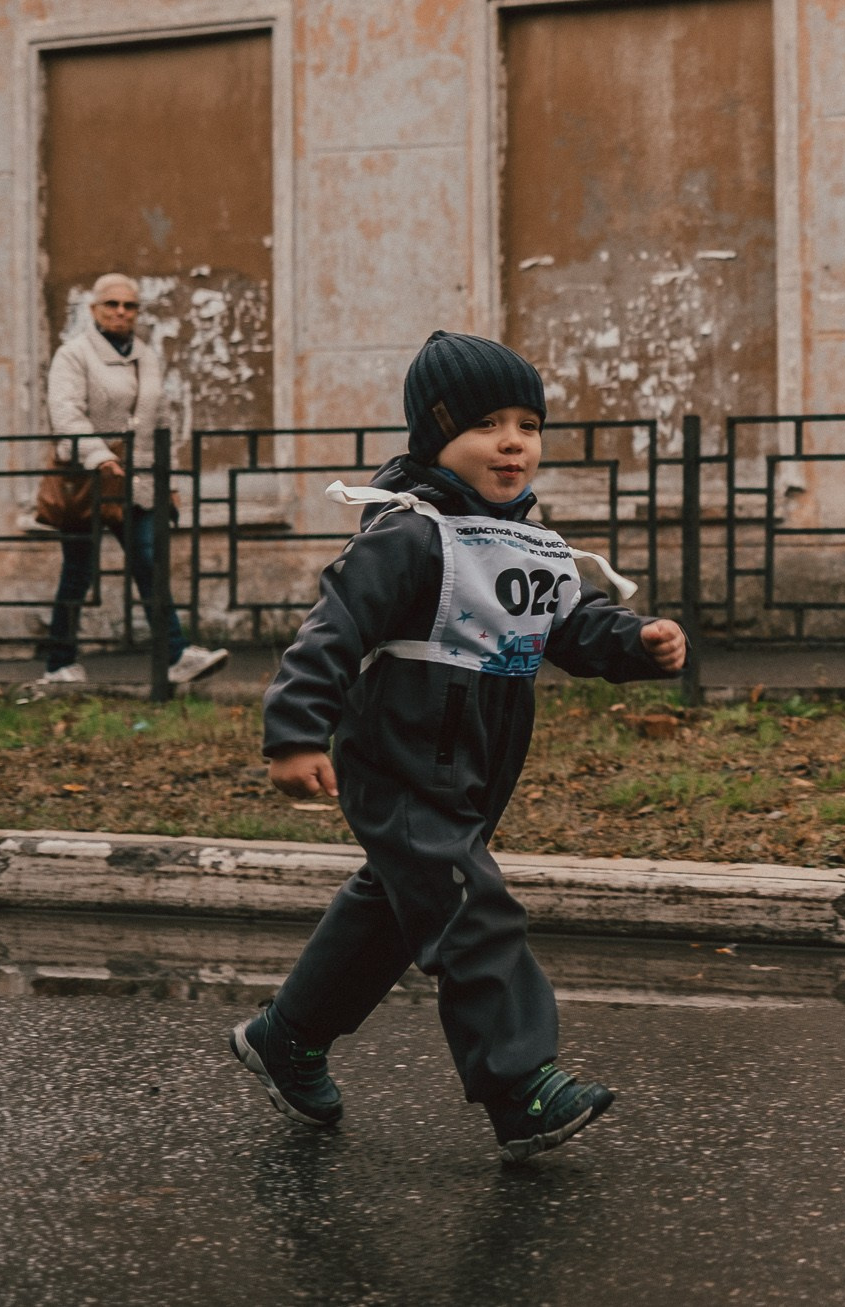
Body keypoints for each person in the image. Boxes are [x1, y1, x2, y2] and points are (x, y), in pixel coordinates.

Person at [231, 331, 688, 1163]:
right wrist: (295, 733)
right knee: (472, 909)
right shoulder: (408, 534)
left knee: (395, 909)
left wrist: (635, 640)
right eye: (485, 424)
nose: (512, 441)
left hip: (471, 768)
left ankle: (286, 1036)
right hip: (399, 758)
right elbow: (331, 632)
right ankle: (521, 1085)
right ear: (433, 438)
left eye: (527, 423)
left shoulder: (527, 540)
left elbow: (572, 625)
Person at [35, 273, 228, 689]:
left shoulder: (146, 355)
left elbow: (161, 421)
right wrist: (99, 455)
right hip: (89, 480)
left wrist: (169, 479)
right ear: (94, 309)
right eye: (112, 304)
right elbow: (66, 413)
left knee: (150, 562)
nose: (121, 312)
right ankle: (58, 664)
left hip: (138, 481)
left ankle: (175, 656)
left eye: (129, 305)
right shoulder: (73, 355)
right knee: (78, 571)